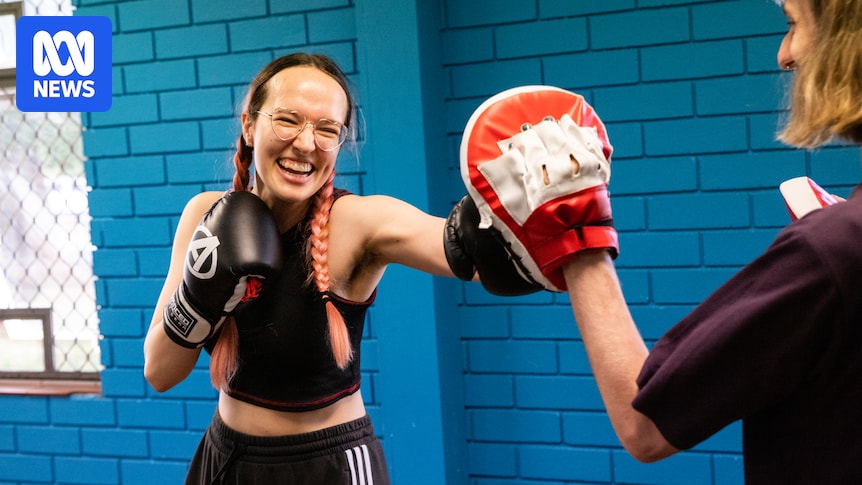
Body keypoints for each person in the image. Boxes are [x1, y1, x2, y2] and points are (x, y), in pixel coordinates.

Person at [143, 52, 540, 484]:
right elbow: (160, 372)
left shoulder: (356, 223)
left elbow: (466, 251)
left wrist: (533, 216)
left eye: (326, 129)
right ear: (249, 125)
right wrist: (201, 295)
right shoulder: (204, 215)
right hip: (226, 460)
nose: (306, 143)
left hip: (328, 466)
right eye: (288, 120)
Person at [533, 0, 861, 482]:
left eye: (792, 24)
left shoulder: (829, 253)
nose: (784, 55)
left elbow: (644, 426)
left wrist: (576, 229)